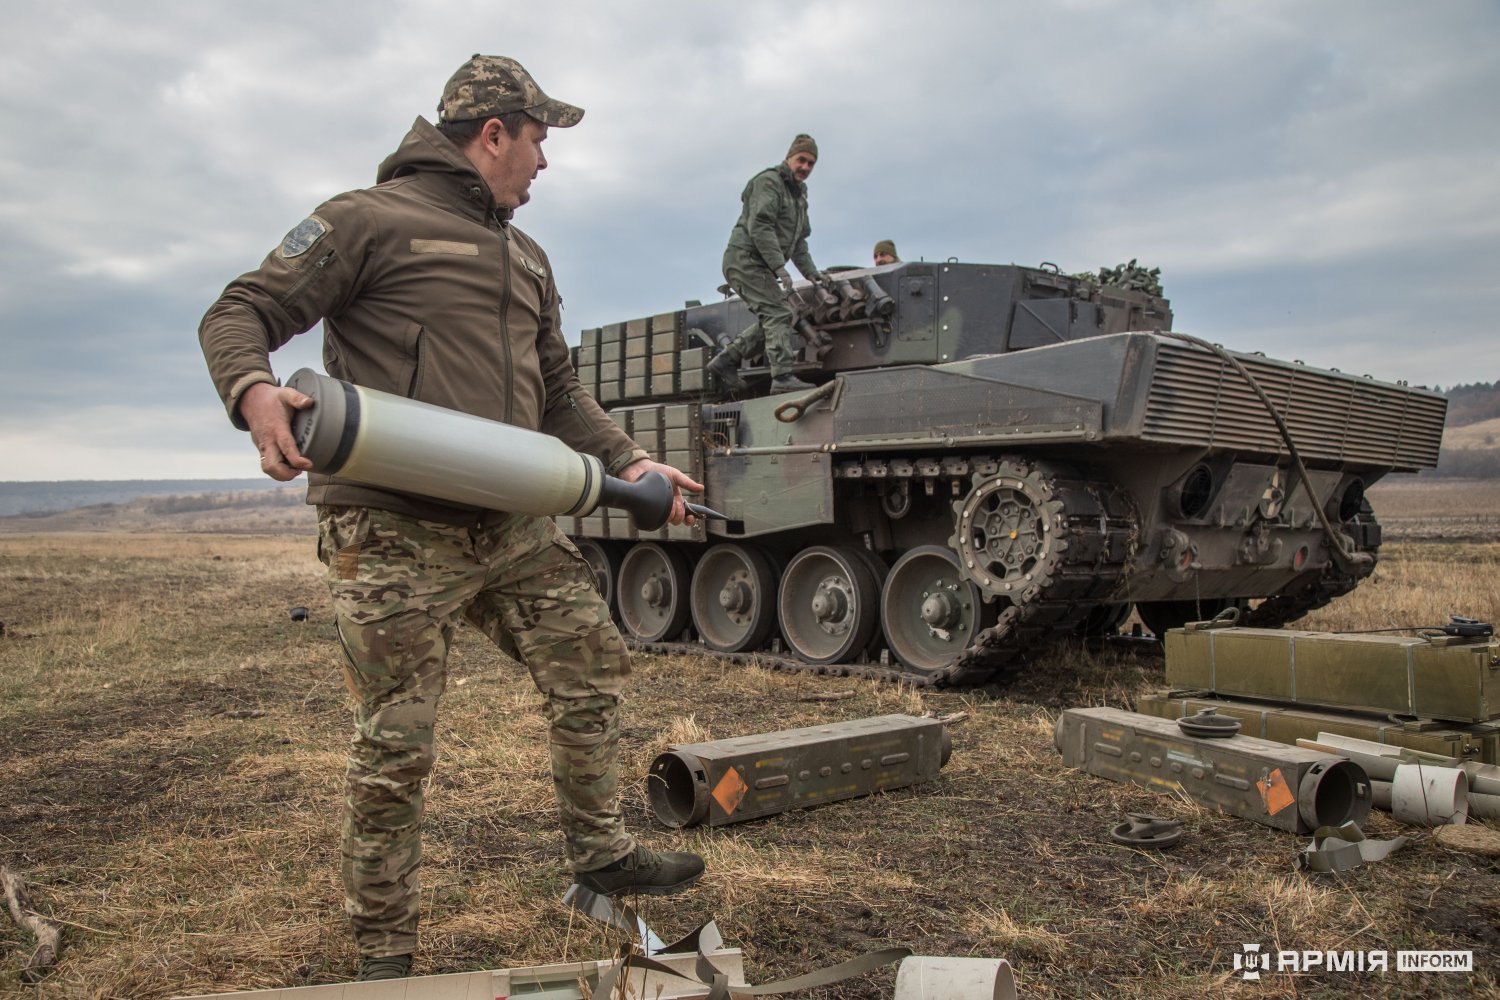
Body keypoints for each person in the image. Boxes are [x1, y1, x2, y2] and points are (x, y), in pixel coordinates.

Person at [198, 54, 705, 983]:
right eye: (540, 140)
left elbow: (557, 388)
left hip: (509, 522)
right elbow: (240, 310)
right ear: (494, 133)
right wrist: (254, 391)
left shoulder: (528, 256)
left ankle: (600, 852)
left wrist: (628, 459)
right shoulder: (365, 220)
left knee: (590, 665)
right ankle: (385, 951)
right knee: (398, 742)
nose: (545, 162)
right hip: (391, 526)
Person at [705, 134, 825, 395]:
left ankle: (726, 360)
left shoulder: (799, 197)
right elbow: (760, 226)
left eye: (811, 163)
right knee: (779, 314)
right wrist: (780, 267)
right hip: (745, 259)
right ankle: (782, 377)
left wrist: (812, 273)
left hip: (759, 264)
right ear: (789, 157)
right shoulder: (769, 182)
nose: (805, 167)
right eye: (801, 160)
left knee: (777, 316)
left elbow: (799, 242)